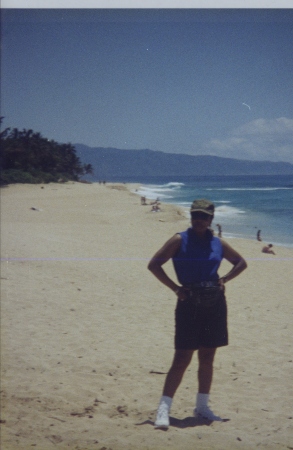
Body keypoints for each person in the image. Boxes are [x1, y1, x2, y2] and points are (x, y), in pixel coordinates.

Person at [148, 199, 247, 429]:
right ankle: (164, 409)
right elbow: (154, 265)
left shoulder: (218, 243)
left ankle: (202, 406)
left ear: (211, 219)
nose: (199, 220)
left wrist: (225, 279)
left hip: (215, 303)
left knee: (208, 356)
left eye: (203, 216)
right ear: (190, 217)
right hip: (189, 302)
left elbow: (241, 262)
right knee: (182, 357)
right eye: (195, 216)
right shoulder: (178, 240)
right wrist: (175, 288)